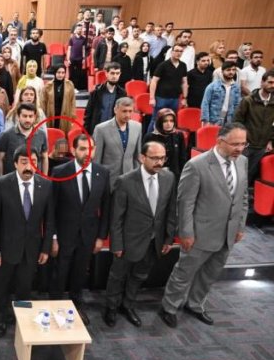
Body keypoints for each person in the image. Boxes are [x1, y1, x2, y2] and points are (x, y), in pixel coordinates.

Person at [159, 123, 249, 328]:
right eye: (235, 144)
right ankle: (169, 307)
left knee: (210, 273)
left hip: (228, 233)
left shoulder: (242, 162)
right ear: (219, 141)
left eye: (243, 144)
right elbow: (185, 203)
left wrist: (240, 226)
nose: (240, 148)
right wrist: (186, 233)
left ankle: (196, 304)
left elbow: (243, 197)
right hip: (199, 234)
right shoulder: (196, 165)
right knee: (184, 273)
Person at [103, 141, 176, 327]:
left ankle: (128, 305)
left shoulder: (169, 178)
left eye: (162, 158)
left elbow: (170, 210)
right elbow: (116, 217)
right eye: (155, 158)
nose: (159, 162)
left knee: (140, 276)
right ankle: (111, 307)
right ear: (142, 158)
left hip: (154, 241)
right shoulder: (125, 181)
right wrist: (117, 244)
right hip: (128, 241)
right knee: (117, 276)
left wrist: (168, 237)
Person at [0, 146, 54, 337]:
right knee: (3, 287)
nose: (29, 166)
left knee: (25, 287)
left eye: (33, 161)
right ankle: (1, 317)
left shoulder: (46, 185)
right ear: (15, 164)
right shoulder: (1, 184)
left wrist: (46, 248)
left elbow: (49, 220)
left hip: (32, 248)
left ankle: (22, 319)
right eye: (24, 162)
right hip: (6, 248)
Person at [51, 135, 111, 325]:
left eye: (90, 149)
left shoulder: (102, 173)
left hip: (89, 235)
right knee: (60, 273)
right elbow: (51, 209)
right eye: (82, 149)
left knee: (79, 273)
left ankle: (76, 305)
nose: (87, 153)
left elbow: (106, 207)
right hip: (64, 234)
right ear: (74, 149)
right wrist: (52, 237)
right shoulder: (60, 171)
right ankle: (54, 307)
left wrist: (101, 237)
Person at [234, 70, 274, 185]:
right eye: (270, 82)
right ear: (262, 82)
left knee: (250, 175)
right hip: (246, 144)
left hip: (262, 145)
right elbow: (237, 121)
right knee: (239, 173)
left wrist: (271, 141)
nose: (273, 86)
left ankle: (244, 199)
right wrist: (242, 140)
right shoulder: (248, 100)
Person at [93, 97, 143, 189]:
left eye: (130, 111)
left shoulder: (138, 127)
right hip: (108, 180)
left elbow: (137, 156)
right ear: (115, 110)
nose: (127, 114)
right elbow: (96, 159)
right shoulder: (101, 129)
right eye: (124, 111)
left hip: (130, 180)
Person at [0, 103, 48, 176]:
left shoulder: (41, 134)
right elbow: (0, 159)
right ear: (18, 117)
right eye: (24, 116)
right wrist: (1, 178)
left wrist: (44, 178)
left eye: (30, 116)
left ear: (34, 117)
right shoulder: (6, 135)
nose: (27, 119)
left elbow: (44, 157)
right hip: (12, 180)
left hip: (35, 179)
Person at [149, 43, 188, 131]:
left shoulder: (183, 65)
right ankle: (148, 140)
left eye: (181, 51)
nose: (179, 53)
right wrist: (152, 98)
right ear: (171, 52)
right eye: (177, 51)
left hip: (175, 99)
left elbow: (184, 82)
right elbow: (154, 81)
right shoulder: (163, 65)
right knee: (156, 120)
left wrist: (185, 98)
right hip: (161, 98)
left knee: (170, 121)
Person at [143, 108, 188, 179]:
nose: (169, 124)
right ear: (159, 122)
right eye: (165, 121)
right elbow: (145, 160)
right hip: (155, 177)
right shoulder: (150, 137)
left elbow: (183, 159)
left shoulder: (179, 135)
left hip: (175, 178)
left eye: (171, 121)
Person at [84, 62, 127, 134]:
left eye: (117, 73)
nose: (115, 76)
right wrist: (86, 132)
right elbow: (88, 114)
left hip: (115, 131)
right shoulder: (96, 92)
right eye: (112, 73)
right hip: (97, 130)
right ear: (106, 74)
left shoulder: (122, 93)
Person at [200, 61, 241, 126]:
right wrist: (206, 121)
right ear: (222, 71)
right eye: (228, 70)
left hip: (229, 120)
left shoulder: (236, 87)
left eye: (233, 70)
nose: (231, 72)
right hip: (213, 120)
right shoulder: (212, 86)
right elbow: (205, 103)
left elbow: (237, 105)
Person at [42, 66, 76, 133]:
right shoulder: (48, 86)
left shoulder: (70, 84)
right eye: (59, 72)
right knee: (52, 135)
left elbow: (73, 102)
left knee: (63, 137)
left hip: (65, 115)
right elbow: (43, 103)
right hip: (51, 115)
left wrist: (72, 117)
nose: (61, 75)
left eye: (63, 73)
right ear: (55, 73)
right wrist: (43, 117)